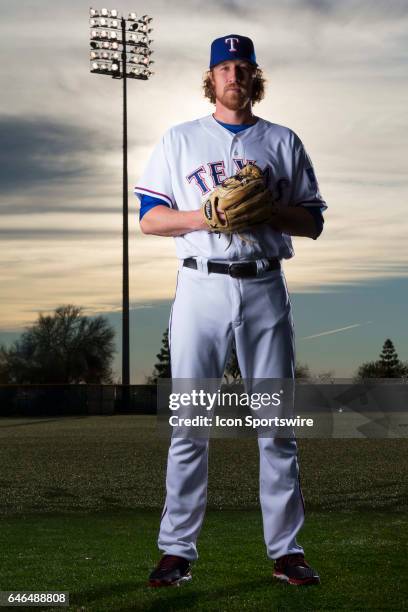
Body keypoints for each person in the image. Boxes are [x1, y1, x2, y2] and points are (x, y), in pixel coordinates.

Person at [135, 34, 326, 587]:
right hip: (200, 289)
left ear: (255, 78)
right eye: (225, 67)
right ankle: (176, 551)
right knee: (191, 423)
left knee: (276, 424)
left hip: (265, 287)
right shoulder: (180, 139)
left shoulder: (283, 141)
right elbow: (150, 218)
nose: (234, 76)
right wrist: (205, 216)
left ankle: (287, 552)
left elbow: (312, 221)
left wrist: (270, 211)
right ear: (211, 77)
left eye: (244, 67)